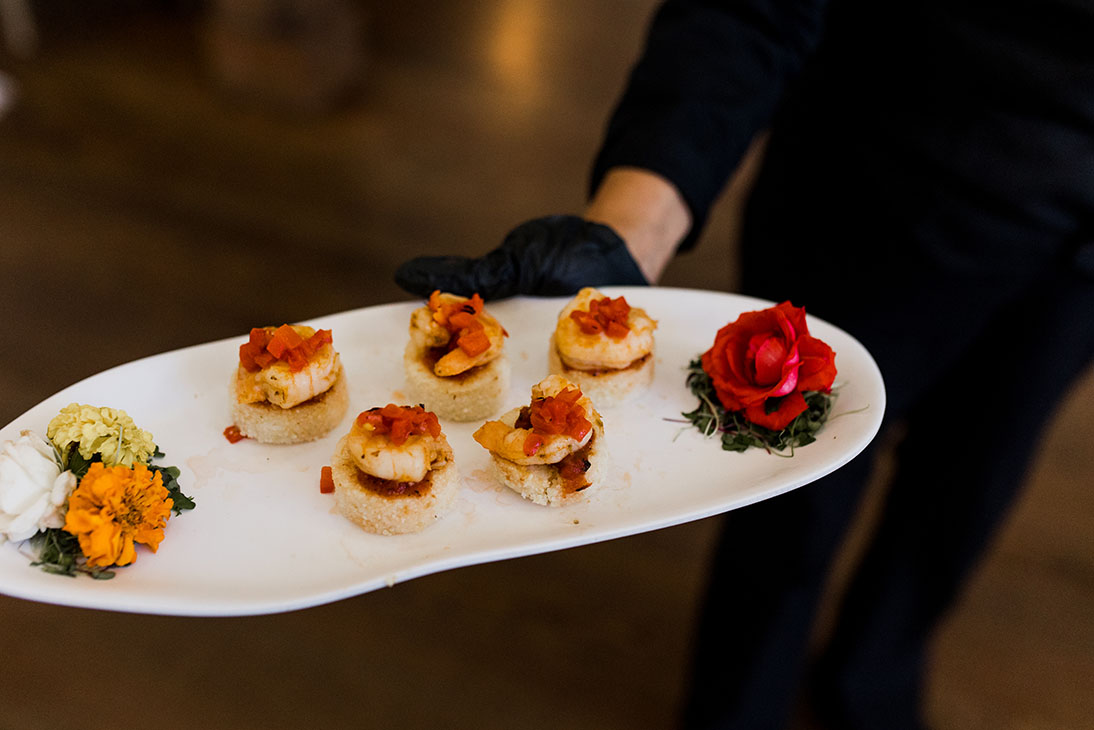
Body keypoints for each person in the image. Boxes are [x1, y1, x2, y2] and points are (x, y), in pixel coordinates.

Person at [396, 1, 1094, 727]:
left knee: (968, 489)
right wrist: (630, 234)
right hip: (878, 199)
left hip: (1077, 273)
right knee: (791, 512)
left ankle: (872, 682)